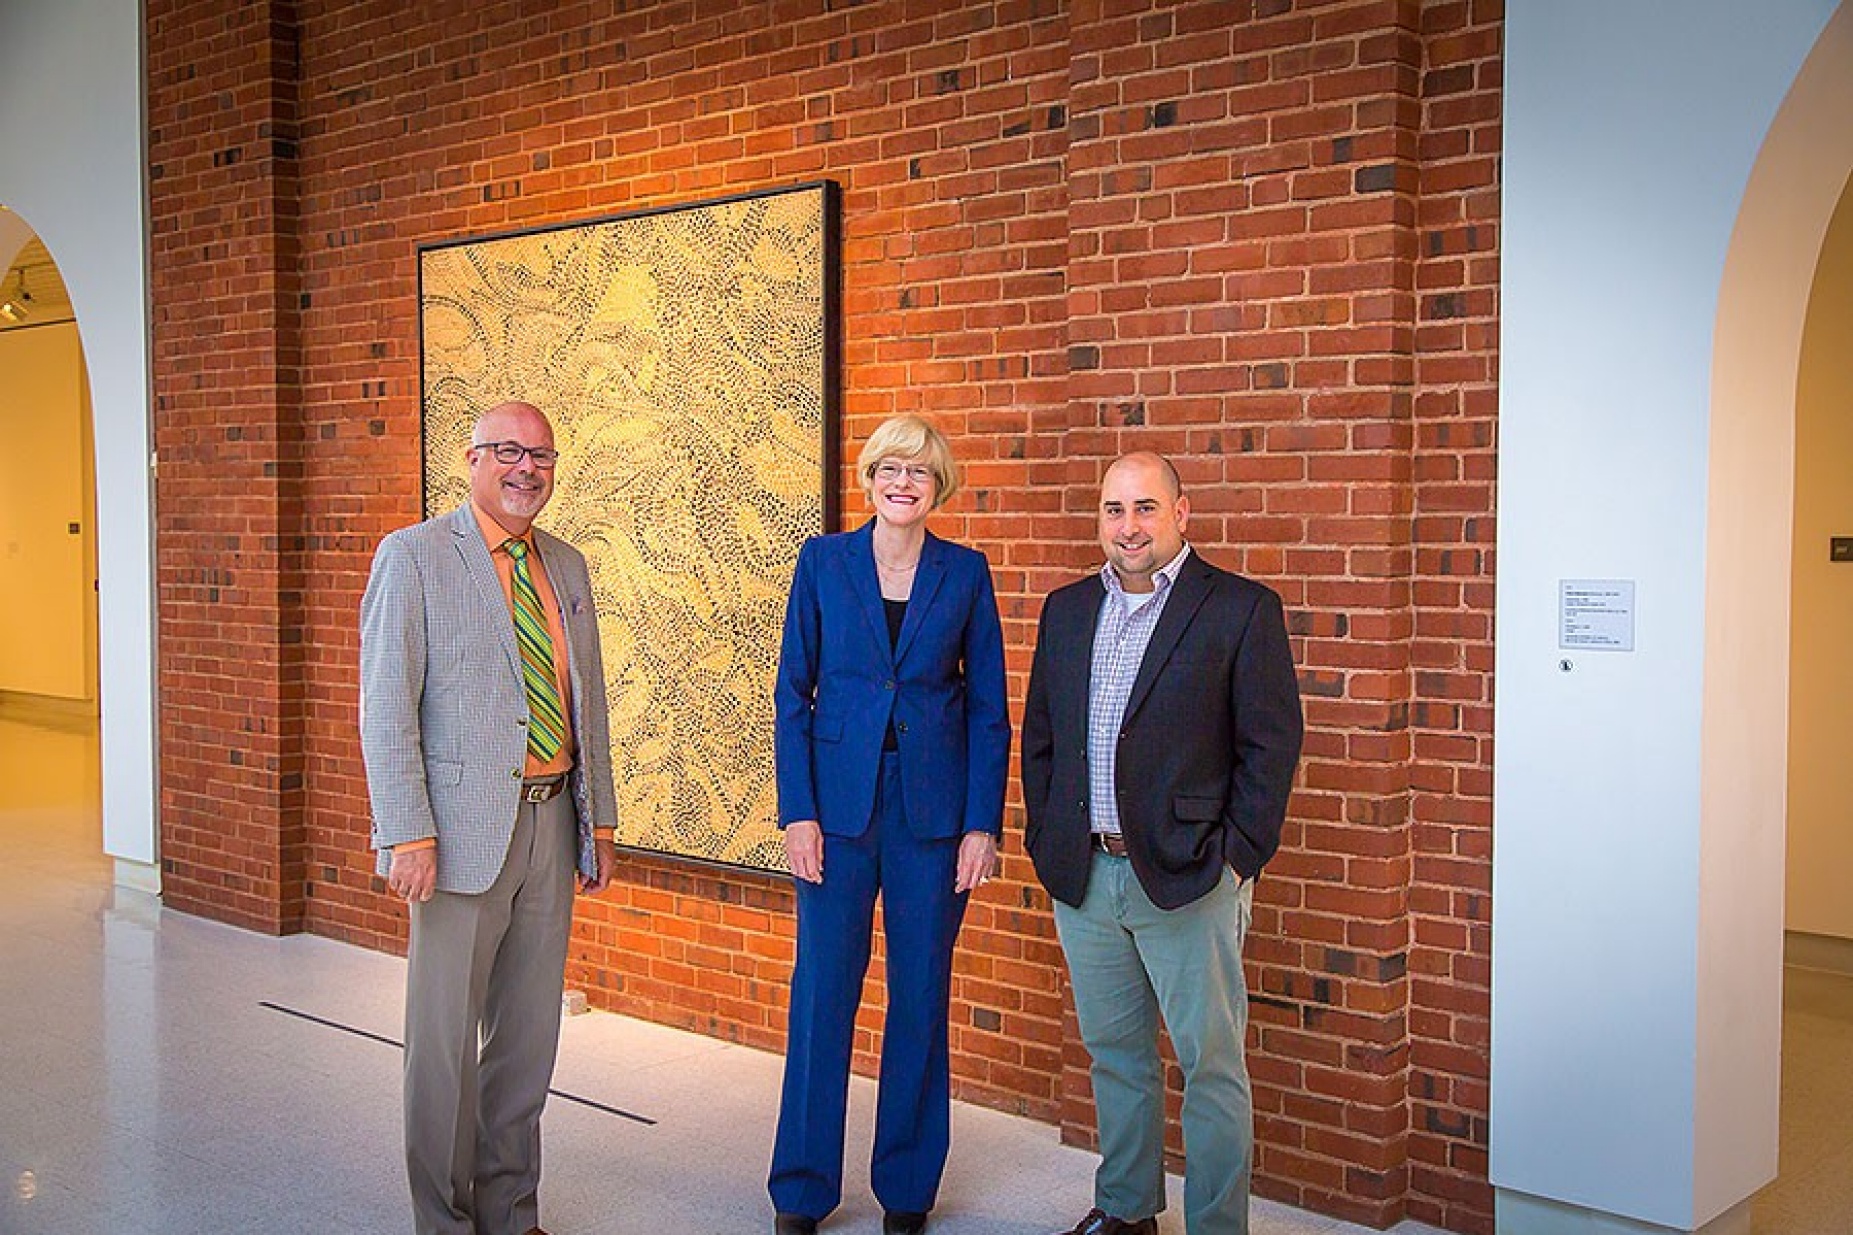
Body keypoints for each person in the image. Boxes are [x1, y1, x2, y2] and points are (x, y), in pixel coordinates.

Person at [1021, 452, 1303, 1235]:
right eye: (1114, 509)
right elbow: (1041, 736)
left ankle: (1217, 1226)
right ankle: (1126, 1209)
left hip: (1188, 879)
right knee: (1115, 1055)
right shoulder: (1069, 608)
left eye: (1145, 507)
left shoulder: (1239, 608)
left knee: (1210, 1066)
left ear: (1182, 512)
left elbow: (1270, 746)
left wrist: (1236, 858)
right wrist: (1047, 838)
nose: (1128, 526)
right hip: (1086, 874)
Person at [360, 400, 619, 1235]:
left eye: (541, 454)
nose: (525, 468)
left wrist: (599, 820)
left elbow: (589, 701)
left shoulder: (567, 565)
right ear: (470, 459)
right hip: (456, 834)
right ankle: (442, 1219)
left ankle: (510, 1211)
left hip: (550, 821)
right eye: (507, 450)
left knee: (527, 1039)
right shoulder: (416, 555)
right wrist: (407, 830)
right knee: (442, 1047)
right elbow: (385, 704)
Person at [768, 414, 1012, 1235]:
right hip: (834, 815)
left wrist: (983, 825)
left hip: (933, 819)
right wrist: (797, 811)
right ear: (868, 478)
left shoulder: (965, 572)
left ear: (937, 485)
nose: (902, 483)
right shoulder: (823, 562)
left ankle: (906, 1187)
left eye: (918, 471)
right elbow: (790, 695)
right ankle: (801, 1188)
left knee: (919, 996)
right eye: (888, 469)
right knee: (821, 997)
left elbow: (987, 710)